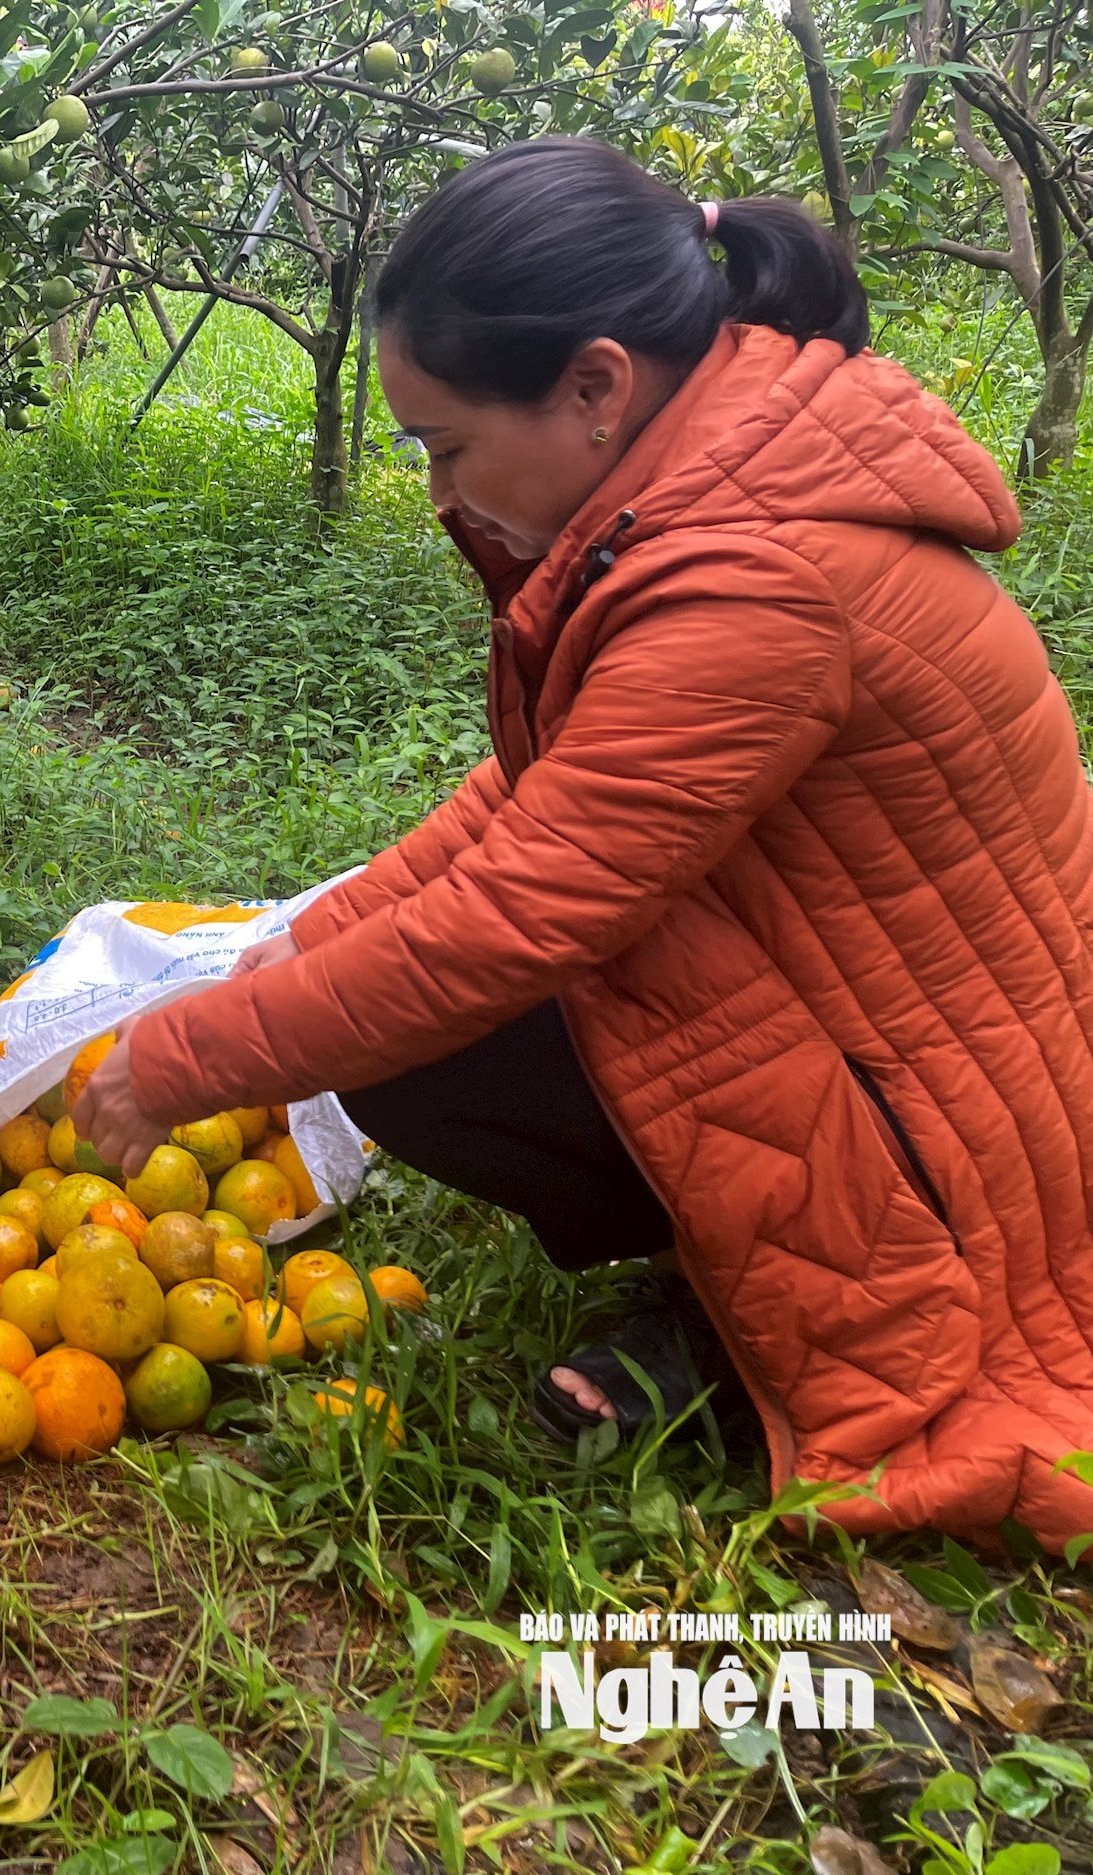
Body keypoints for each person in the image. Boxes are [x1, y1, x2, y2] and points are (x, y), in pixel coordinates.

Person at [76, 138, 1093, 1550]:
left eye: (447, 445)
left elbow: (519, 911)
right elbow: (544, 798)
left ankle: (765, 1324)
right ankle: (726, 1266)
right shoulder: (714, 490)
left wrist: (183, 1061)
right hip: (913, 1034)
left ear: (598, 386)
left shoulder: (755, 578)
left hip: (944, 1127)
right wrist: (297, 945)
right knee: (385, 985)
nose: (438, 493)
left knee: (422, 1039)